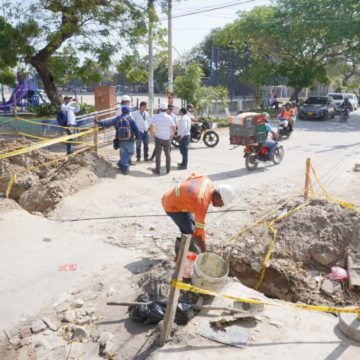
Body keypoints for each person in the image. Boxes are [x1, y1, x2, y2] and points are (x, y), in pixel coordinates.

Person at [162, 174, 235, 256]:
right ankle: (181, 256)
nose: (220, 206)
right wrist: (204, 251)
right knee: (188, 231)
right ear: (218, 197)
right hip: (172, 205)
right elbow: (200, 230)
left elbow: (191, 176)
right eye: (221, 204)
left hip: (176, 198)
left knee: (192, 226)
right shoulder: (202, 202)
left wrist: (187, 196)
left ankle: (187, 250)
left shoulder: (208, 182)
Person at [98, 106, 139, 175]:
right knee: (131, 152)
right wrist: (138, 137)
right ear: (128, 112)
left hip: (120, 140)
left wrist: (99, 122)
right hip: (130, 140)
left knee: (123, 155)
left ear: (122, 111)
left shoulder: (117, 118)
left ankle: (122, 164)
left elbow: (107, 123)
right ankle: (125, 167)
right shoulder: (131, 119)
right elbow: (136, 129)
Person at [149, 103, 176, 175]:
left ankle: (157, 170)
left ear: (159, 109)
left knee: (158, 154)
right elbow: (174, 127)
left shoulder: (156, 117)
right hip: (167, 138)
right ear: (166, 109)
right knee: (167, 154)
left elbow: (151, 126)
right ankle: (168, 170)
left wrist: (153, 134)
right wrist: (172, 135)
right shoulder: (169, 117)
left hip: (158, 137)